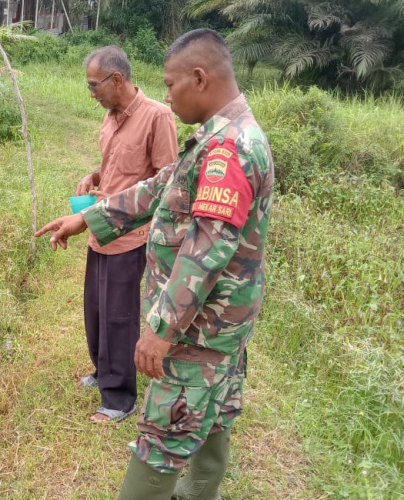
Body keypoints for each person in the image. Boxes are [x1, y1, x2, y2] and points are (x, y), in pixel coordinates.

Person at [34, 28, 274, 499]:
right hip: (221, 326)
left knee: (164, 439)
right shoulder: (217, 138)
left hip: (198, 331)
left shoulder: (229, 150)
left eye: (170, 84)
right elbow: (157, 187)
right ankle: (198, 492)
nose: (166, 95)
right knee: (212, 416)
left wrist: (161, 330)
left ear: (199, 78)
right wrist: (86, 218)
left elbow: (205, 252)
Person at [77, 46, 178, 424]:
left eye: (94, 85)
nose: (92, 94)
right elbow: (116, 165)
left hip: (131, 234)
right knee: (95, 310)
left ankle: (119, 399)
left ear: (116, 79)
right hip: (100, 228)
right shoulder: (110, 117)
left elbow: (166, 180)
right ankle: (102, 370)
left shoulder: (158, 116)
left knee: (118, 316)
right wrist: (94, 176)